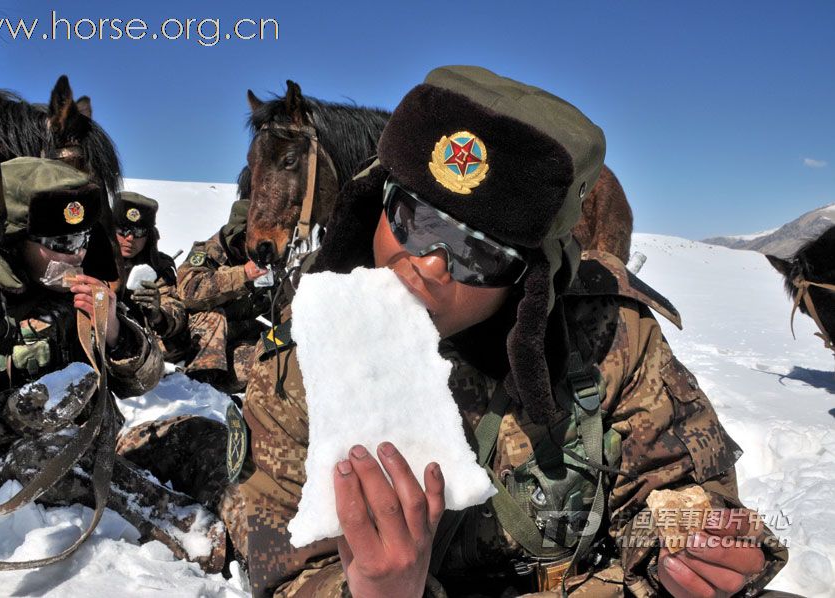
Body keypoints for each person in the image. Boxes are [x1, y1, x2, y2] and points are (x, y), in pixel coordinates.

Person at [233, 67, 787, 597]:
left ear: (529, 276)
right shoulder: (302, 363)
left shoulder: (607, 334)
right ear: (374, 204)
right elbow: (284, 566)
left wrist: (683, 543)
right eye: (413, 220)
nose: (426, 266)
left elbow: (669, 489)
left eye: (479, 252)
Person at [0, 157, 225, 571]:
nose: (76, 256)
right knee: (53, 452)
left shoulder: (74, 287)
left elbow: (145, 380)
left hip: (89, 448)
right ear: (13, 238)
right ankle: (191, 533)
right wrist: (15, 415)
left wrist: (114, 335)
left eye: (83, 240)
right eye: (60, 243)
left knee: (200, 436)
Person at [177, 197, 271, 392]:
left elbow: (276, 303)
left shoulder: (263, 259)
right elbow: (190, 292)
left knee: (272, 354)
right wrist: (242, 275)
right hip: (195, 346)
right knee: (214, 316)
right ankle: (198, 390)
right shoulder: (207, 254)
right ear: (238, 233)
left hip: (236, 342)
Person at [112, 191, 188, 361]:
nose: (130, 238)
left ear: (149, 236)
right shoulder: (88, 257)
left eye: (139, 232)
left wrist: (158, 314)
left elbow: (177, 312)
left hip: (141, 343)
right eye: (122, 230)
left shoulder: (158, 267)